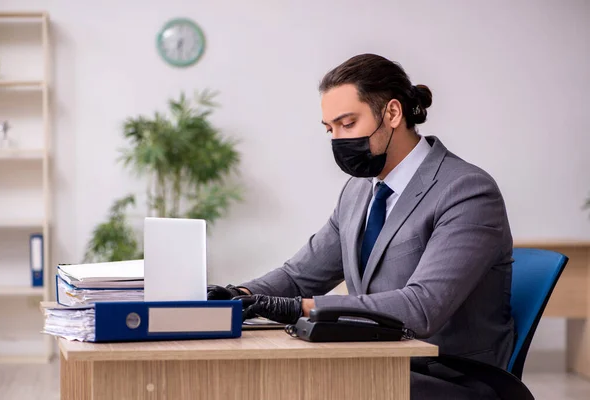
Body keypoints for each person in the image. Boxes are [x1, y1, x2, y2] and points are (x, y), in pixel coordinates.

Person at [207, 53, 514, 400]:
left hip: (450, 376)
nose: (338, 139)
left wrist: (300, 307)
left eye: (348, 124)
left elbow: (422, 307)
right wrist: (235, 296)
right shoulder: (358, 191)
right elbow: (299, 276)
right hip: (377, 360)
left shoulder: (466, 190)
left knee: (289, 385)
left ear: (393, 114)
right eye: (330, 129)